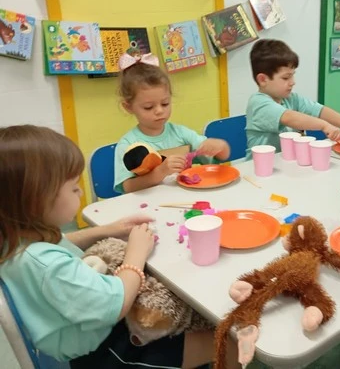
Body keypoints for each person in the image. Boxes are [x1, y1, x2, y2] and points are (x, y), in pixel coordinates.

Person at [0, 125, 239, 367]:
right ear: (34, 201)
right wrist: (136, 253)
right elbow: (117, 304)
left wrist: (108, 229)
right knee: (230, 344)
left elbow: (59, 242)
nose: (80, 191)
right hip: (106, 352)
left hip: (85, 327)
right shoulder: (48, 266)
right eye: (73, 187)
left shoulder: (17, 240)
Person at [114, 53, 230, 193]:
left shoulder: (181, 133)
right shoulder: (128, 144)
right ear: (128, 107)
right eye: (148, 107)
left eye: (165, 103)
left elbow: (219, 157)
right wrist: (160, 172)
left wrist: (220, 146)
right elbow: (127, 187)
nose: (159, 111)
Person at [245, 39, 340, 156]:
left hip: (288, 161)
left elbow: (319, 110)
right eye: (286, 78)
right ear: (263, 80)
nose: (292, 82)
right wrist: (324, 125)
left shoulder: (291, 98)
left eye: (292, 76)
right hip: (261, 165)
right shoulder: (258, 103)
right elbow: (289, 118)